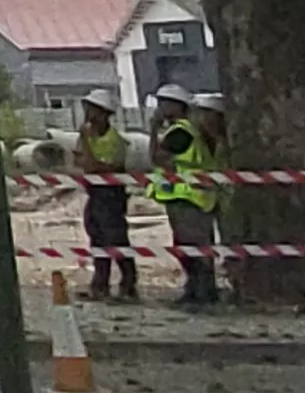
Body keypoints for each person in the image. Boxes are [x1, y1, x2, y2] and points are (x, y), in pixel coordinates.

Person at [148, 83, 221, 306]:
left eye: (163, 103)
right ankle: (197, 290)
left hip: (189, 196)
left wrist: (153, 130)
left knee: (192, 248)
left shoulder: (181, 131)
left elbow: (158, 158)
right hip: (191, 196)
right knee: (190, 247)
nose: (159, 108)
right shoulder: (187, 130)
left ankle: (202, 293)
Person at [72, 89, 139, 301]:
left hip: (110, 196)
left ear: (103, 114)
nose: (88, 114)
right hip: (95, 193)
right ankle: (99, 284)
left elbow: (93, 166)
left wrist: (85, 142)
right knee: (97, 238)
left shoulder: (115, 141)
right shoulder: (89, 136)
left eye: (92, 110)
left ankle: (128, 284)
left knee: (116, 239)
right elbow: (78, 161)